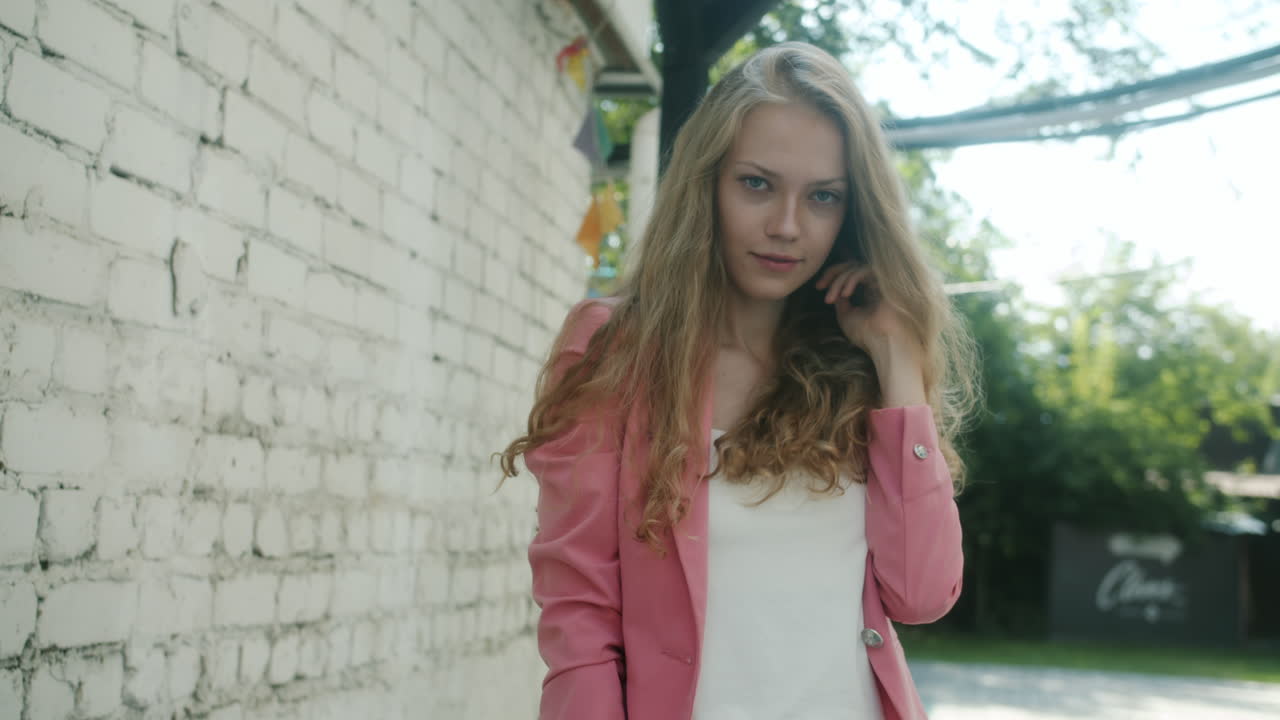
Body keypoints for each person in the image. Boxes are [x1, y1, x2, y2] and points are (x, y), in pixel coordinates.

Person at [499, 41, 978, 720]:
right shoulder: (617, 350)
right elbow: (580, 620)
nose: (786, 226)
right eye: (757, 184)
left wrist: (898, 366)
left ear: (853, 211)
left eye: (822, 197)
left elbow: (923, 596)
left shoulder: (861, 369)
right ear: (707, 183)